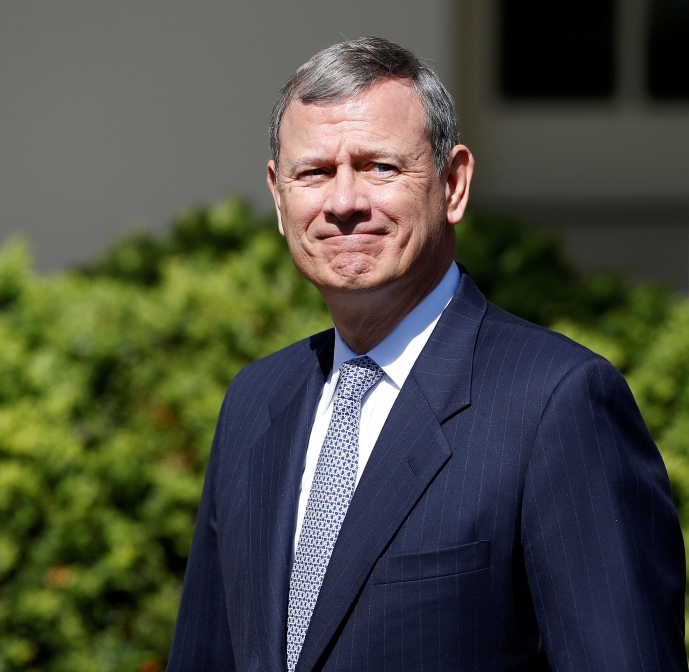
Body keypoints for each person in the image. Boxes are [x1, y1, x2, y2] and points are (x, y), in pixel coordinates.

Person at [167, 37, 687, 671]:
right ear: (279, 197)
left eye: (380, 167)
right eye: (315, 172)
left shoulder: (557, 404)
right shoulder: (255, 404)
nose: (344, 202)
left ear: (454, 183)